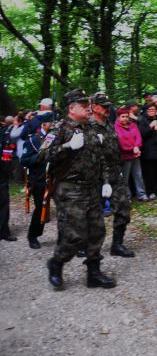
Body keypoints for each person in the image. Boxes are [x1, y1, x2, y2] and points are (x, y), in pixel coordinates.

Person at [41, 89, 116, 290]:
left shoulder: (91, 128)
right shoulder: (59, 129)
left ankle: (94, 273)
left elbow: (101, 159)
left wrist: (106, 181)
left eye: (88, 105)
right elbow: (42, 156)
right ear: (72, 109)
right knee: (75, 236)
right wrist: (68, 147)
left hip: (91, 188)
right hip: (70, 189)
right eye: (84, 106)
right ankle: (56, 263)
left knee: (97, 231)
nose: (88, 108)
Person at [91, 93, 136, 257]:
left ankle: (117, 244)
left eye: (109, 106)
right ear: (94, 107)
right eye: (104, 106)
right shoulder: (87, 126)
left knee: (123, 208)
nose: (107, 109)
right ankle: (89, 246)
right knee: (94, 214)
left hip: (115, 173)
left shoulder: (109, 124)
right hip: (96, 177)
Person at [19, 113, 54, 248]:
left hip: (53, 178)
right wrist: (38, 158)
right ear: (43, 124)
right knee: (40, 208)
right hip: (38, 179)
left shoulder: (54, 137)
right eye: (50, 122)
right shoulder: (33, 140)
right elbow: (24, 160)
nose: (53, 124)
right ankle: (32, 236)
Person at [115, 107, 149, 202]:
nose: (125, 118)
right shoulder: (116, 127)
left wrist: (137, 146)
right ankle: (127, 196)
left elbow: (138, 137)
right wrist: (132, 148)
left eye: (126, 116)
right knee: (125, 178)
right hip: (125, 156)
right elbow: (121, 141)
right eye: (123, 117)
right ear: (118, 117)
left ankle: (141, 194)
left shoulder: (133, 125)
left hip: (135, 154)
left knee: (138, 175)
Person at [0, 120, 17, 241]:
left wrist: (6, 170)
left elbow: (7, 153)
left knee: (4, 202)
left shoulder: (4, 133)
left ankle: (4, 231)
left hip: (1, 174)